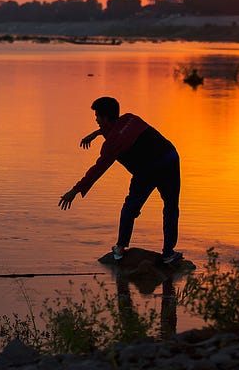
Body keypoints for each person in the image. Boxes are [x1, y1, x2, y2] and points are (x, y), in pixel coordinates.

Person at [59, 96, 182, 265]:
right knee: (171, 207)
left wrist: (75, 190)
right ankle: (168, 254)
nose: (95, 119)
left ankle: (120, 247)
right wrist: (96, 133)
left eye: (97, 116)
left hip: (148, 169)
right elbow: (120, 128)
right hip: (170, 157)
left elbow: (98, 169)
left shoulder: (112, 144)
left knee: (130, 208)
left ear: (106, 118)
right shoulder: (131, 118)